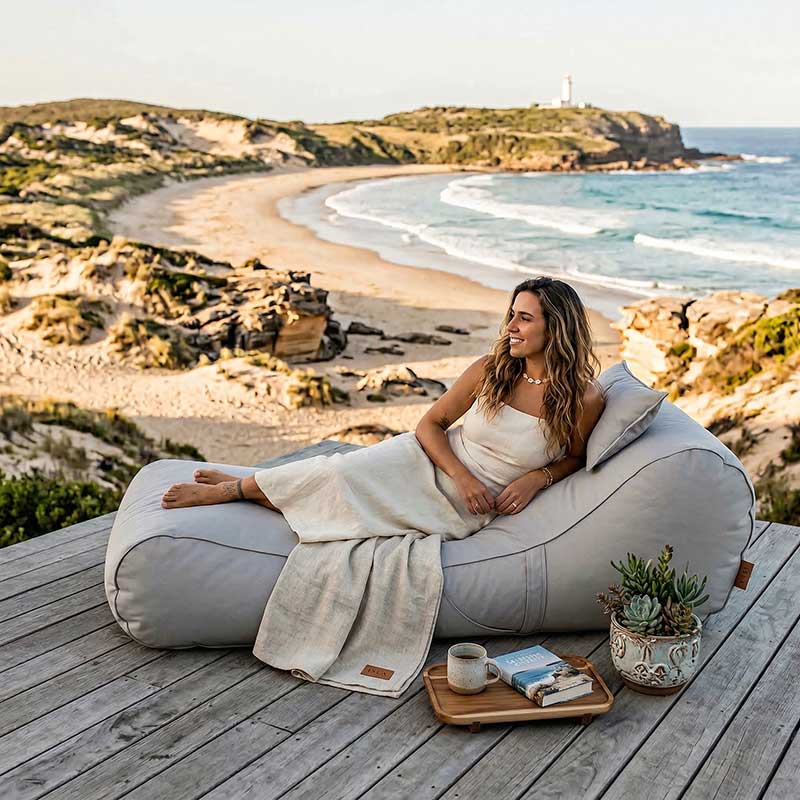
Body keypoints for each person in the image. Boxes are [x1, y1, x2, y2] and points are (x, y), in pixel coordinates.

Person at [160, 277, 605, 525]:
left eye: (524, 318)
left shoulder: (582, 398)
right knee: (335, 472)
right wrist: (464, 477)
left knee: (344, 514)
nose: (510, 325)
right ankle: (227, 490)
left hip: (467, 509)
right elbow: (429, 426)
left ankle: (248, 485)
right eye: (511, 314)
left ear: (557, 328)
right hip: (434, 463)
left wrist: (538, 479)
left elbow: (575, 458)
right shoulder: (492, 369)